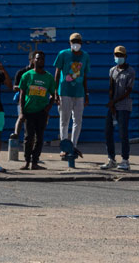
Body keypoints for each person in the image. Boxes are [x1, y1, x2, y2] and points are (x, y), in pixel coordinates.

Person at [52, 33, 90, 166]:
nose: (76, 43)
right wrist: (55, 91)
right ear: (69, 42)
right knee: (64, 120)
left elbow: (84, 76)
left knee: (78, 121)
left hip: (79, 93)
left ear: (82, 42)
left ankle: (73, 146)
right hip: (65, 92)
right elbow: (57, 73)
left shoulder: (85, 56)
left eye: (78, 41)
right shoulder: (63, 54)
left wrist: (87, 93)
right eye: (73, 41)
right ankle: (64, 147)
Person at [15, 50, 56, 170]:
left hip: (41, 112)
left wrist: (48, 108)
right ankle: (27, 161)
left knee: (40, 138)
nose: (40, 61)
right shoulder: (27, 75)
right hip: (29, 111)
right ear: (33, 60)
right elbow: (22, 95)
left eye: (42, 59)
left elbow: (53, 95)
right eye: (37, 58)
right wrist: (22, 112)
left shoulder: (48, 77)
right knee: (28, 138)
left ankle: (35, 162)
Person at [104, 45, 135, 170]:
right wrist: (111, 104)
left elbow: (128, 91)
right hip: (113, 106)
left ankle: (125, 160)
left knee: (123, 133)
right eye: (117, 55)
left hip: (124, 106)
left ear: (125, 57)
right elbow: (110, 88)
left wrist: (114, 102)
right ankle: (111, 159)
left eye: (121, 55)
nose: (118, 57)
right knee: (108, 132)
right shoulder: (112, 70)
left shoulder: (130, 71)